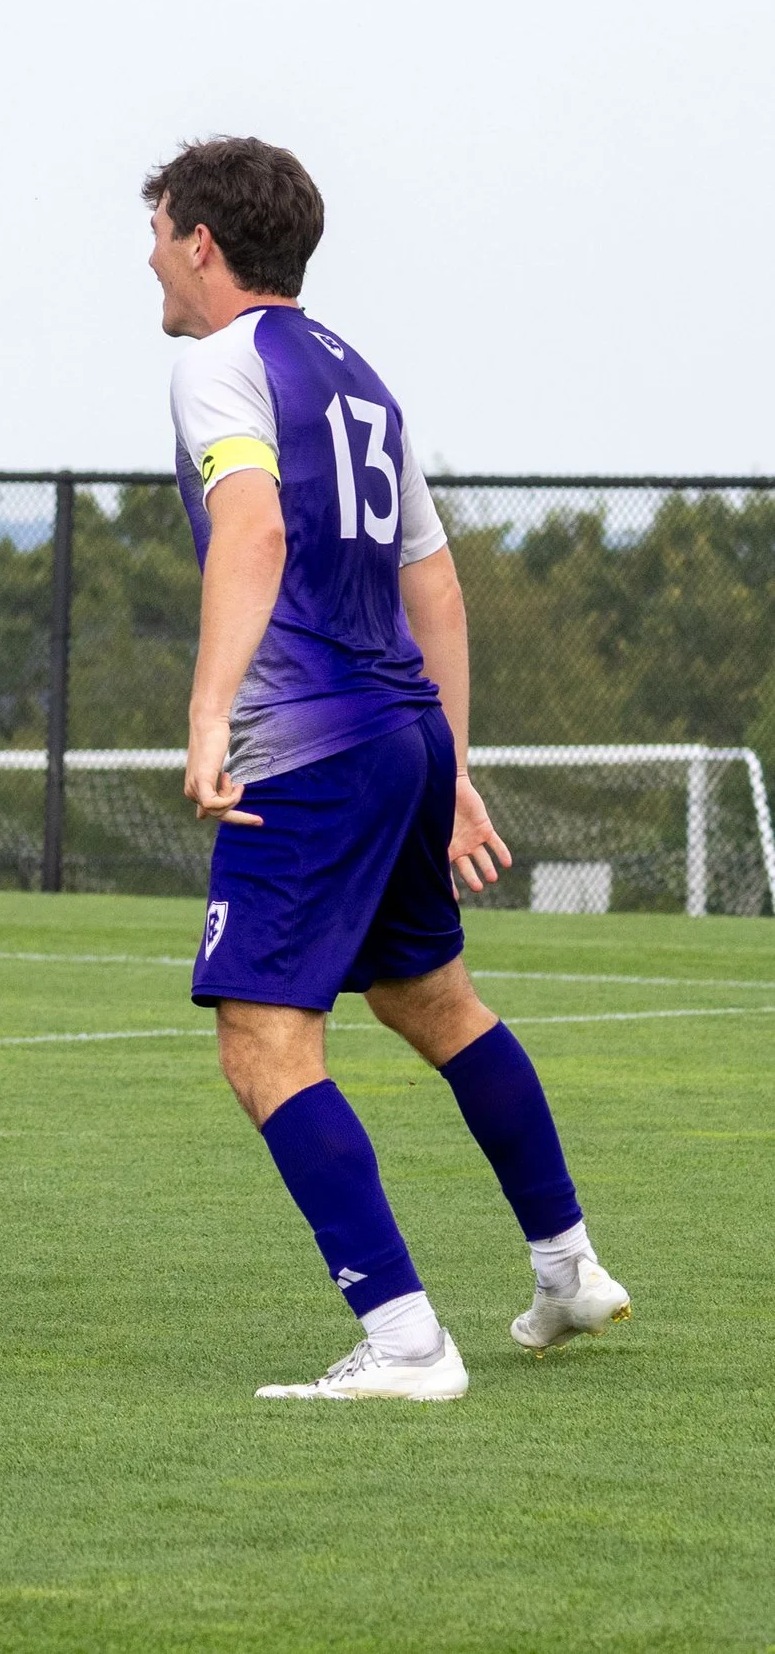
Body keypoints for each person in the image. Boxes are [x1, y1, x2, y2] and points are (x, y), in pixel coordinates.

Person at [147, 136, 629, 1400]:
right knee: (432, 1001)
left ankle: (405, 1338)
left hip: (307, 749)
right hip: (401, 732)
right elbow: (437, 587)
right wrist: (451, 765)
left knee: (261, 1040)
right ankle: (566, 1264)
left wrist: (207, 717)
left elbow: (247, 529)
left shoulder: (220, 364)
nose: (148, 256)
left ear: (202, 241)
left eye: (156, 231)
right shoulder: (358, 378)